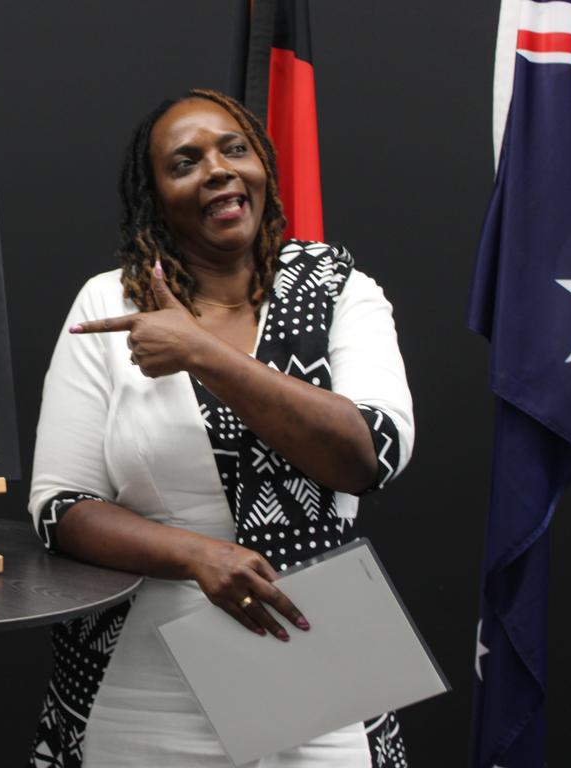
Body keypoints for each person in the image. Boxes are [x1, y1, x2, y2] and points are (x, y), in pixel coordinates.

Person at [27, 89, 414, 767]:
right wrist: (197, 556)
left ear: (263, 164)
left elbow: (368, 454)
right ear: (155, 196)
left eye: (235, 148)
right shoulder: (110, 304)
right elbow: (58, 509)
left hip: (317, 662)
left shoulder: (339, 289)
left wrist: (202, 352)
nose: (217, 169)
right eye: (186, 161)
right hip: (145, 677)